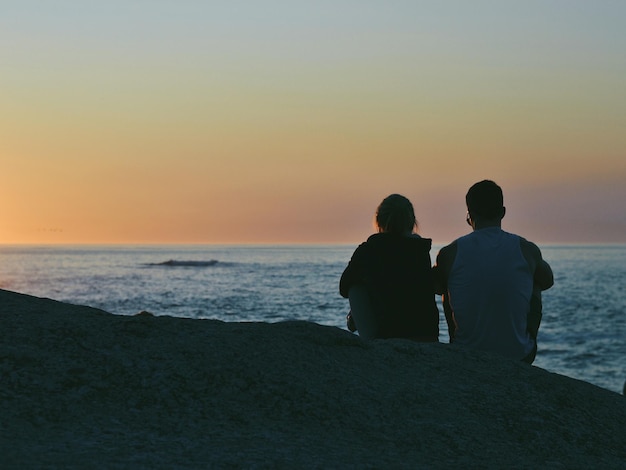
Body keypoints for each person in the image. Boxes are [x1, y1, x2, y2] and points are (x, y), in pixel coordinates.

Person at [433, 180, 554, 364]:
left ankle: (457, 340)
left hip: (466, 352)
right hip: (519, 356)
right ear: (503, 212)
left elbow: (435, 286)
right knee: (535, 280)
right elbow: (547, 281)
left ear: (470, 215)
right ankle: (520, 340)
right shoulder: (526, 249)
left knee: (447, 284)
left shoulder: (450, 252)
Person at [339, 194, 439, 341]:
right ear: (412, 222)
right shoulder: (420, 251)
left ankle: (371, 343)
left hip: (386, 332)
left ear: (379, 221)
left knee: (355, 286)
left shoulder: (369, 250)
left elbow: (344, 287)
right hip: (425, 333)